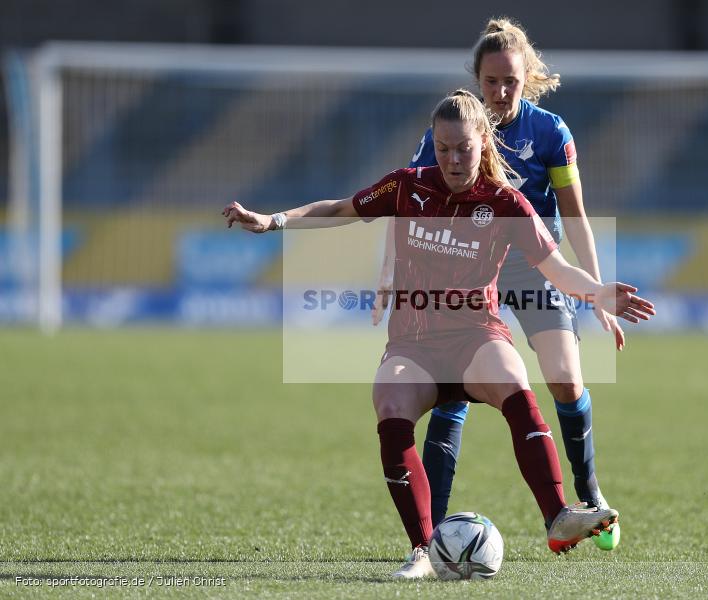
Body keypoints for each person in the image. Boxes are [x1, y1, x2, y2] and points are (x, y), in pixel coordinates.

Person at [223, 90, 655, 579]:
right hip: (415, 343)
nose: (452, 159)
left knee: (516, 381)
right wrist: (273, 220)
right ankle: (421, 551)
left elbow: (555, 269)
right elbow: (341, 209)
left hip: (476, 337)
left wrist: (597, 291)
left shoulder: (506, 203)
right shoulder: (407, 186)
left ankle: (558, 516)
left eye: (463, 149)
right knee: (389, 402)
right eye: (443, 148)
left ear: (483, 142)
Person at [373, 17, 621, 526]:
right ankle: (434, 528)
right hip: (465, 268)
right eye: (491, 81)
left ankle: (587, 487)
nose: (501, 91)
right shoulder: (451, 132)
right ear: (477, 79)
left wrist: (597, 290)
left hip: (534, 266)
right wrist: (388, 272)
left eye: (511, 80)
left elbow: (574, 216)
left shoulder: (550, 132)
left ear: (527, 77)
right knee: (451, 389)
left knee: (565, 378)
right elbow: (405, 205)